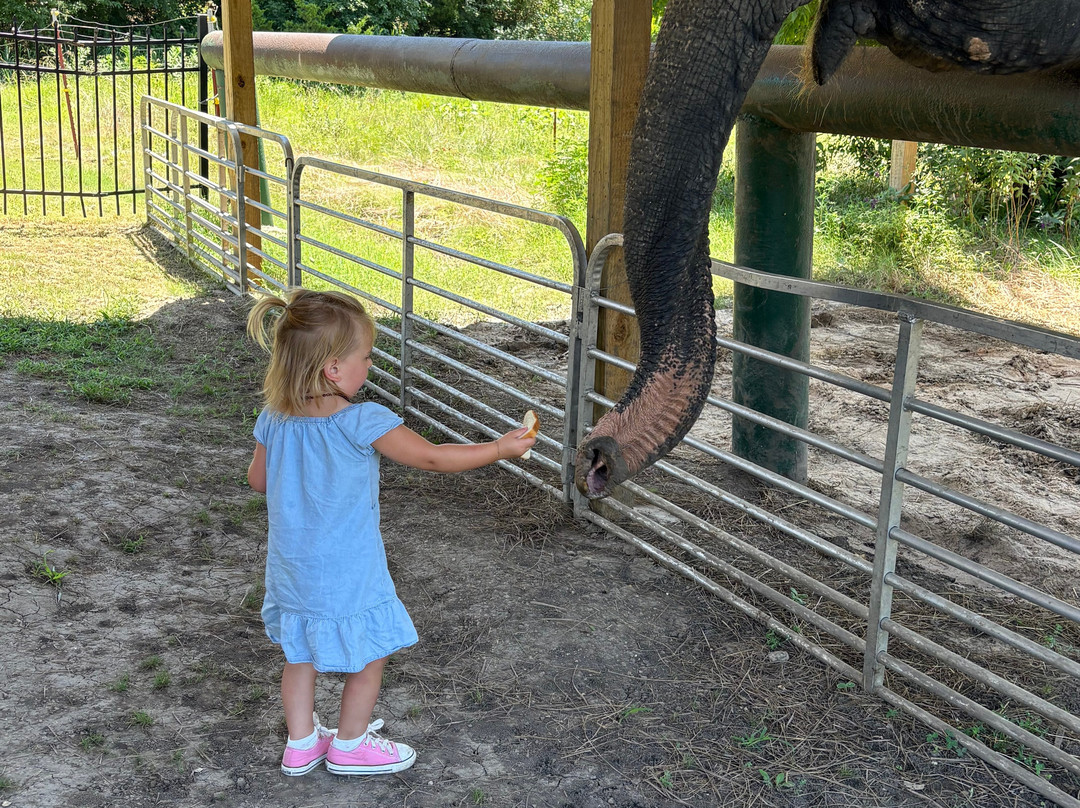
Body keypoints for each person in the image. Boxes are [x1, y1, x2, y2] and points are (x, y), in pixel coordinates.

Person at [245, 288, 536, 777]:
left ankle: (301, 745)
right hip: (349, 568)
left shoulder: (273, 418)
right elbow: (433, 457)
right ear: (333, 369)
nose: (369, 364)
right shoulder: (362, 421)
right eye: (365, 357)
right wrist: (499, 449)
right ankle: (350, 745)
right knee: (369, 655)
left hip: (292, 570)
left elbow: (259, 480)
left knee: (299, 655)